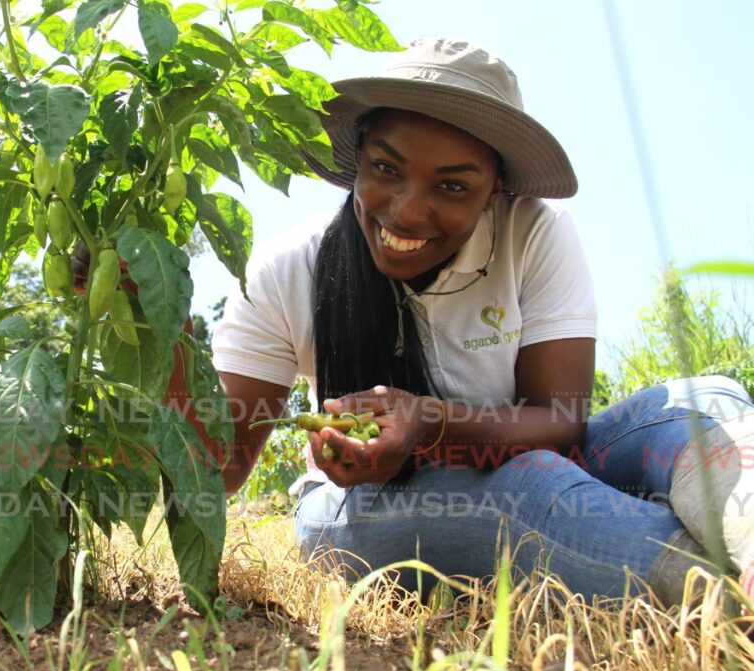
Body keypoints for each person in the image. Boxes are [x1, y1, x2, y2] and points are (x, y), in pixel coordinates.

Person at [205, 38, 754, 605]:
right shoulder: (286, 272)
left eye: (452, 186)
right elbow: (219, 468)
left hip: (537, 460)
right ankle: (714, 597)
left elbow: (563, 423)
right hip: (358, 507)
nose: (407, 210)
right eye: (386, 168)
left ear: (495, 189)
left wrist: (429, 422)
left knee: (705, 399)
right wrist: (149, 318)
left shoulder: (533, 232)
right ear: (359, 158)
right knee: (523, 492)